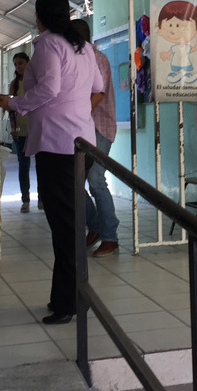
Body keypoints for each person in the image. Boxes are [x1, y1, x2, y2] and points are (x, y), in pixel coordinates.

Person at [0, 0, 102, 325]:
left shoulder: (48, 45)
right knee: (69, 224)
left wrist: (13, 103)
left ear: (39, 17)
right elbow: (97, 87)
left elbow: (49, 88)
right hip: (82, 143)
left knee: (64, 227)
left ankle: (69, 303)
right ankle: (66, 297)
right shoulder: (83, 47)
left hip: (57, 146)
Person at [72, 19, 120, 257]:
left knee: (96, 180)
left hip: (100, 128)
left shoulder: (96, 59)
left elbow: (97, 94)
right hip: (84, 129)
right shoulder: (79, 58)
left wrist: (74, 112)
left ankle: (110, 236)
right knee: (75, 182)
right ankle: (96, 226)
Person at [9, 52, 35, 213]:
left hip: (36, 128)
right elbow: (11, 107)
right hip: (21, 130)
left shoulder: (36, 81)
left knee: (42, 164)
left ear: (28, 62)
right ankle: (25, 199)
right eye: (15, 64)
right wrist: (13, 127)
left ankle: (43, 198)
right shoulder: (15, 84)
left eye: (20, 63)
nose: (18, 67)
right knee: (23, 164)